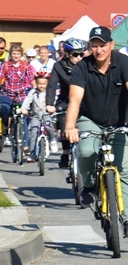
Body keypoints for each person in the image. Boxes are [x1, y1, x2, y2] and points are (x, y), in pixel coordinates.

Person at [65, 27, 128, 237]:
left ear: (111, 45)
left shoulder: (123, 63)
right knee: (87, 150)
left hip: (120, 122)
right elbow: (75, 99)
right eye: (94, 45)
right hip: (91, 120)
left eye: (103, 45)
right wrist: (70, 126)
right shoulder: (82, 68)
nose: (99, 50)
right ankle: (88, 185)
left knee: (124, 170)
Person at [46, 38, 88, 168]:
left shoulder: (87, 65)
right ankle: (65, 153)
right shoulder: (58, 66)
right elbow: (52, 85)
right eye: (75, 54)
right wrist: (49, 103)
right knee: (64, 120)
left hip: (86, 100)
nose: (79, 58)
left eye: (81, 54)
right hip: (66, 100)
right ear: (68, 54)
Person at [0, 45, 32, 141]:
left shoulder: (26, 65)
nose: (16, 56)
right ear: (11, 54)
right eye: (14, 53)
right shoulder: (5, 65)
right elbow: (1, 76)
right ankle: (6, 125)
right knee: (4, 109)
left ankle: (25, 144)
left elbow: (32, 78)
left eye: (18, 54)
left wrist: (36, 87)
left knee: (23, 116)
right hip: (8, 93)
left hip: (21, 94)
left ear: (21, 54)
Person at [19, 72, 50, 162]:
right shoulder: (33, 92)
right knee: (33, 132)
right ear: (36, 83)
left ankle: (52, 141)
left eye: (44, 84)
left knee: (49, 126)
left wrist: (54, 108)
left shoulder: (49, 92)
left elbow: (54, 100)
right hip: (35, 116)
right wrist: (24, 109)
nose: (41, 86)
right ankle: (32, 154)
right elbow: (27, 101)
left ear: (47, 84)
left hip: (46, 115)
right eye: (39, 83)